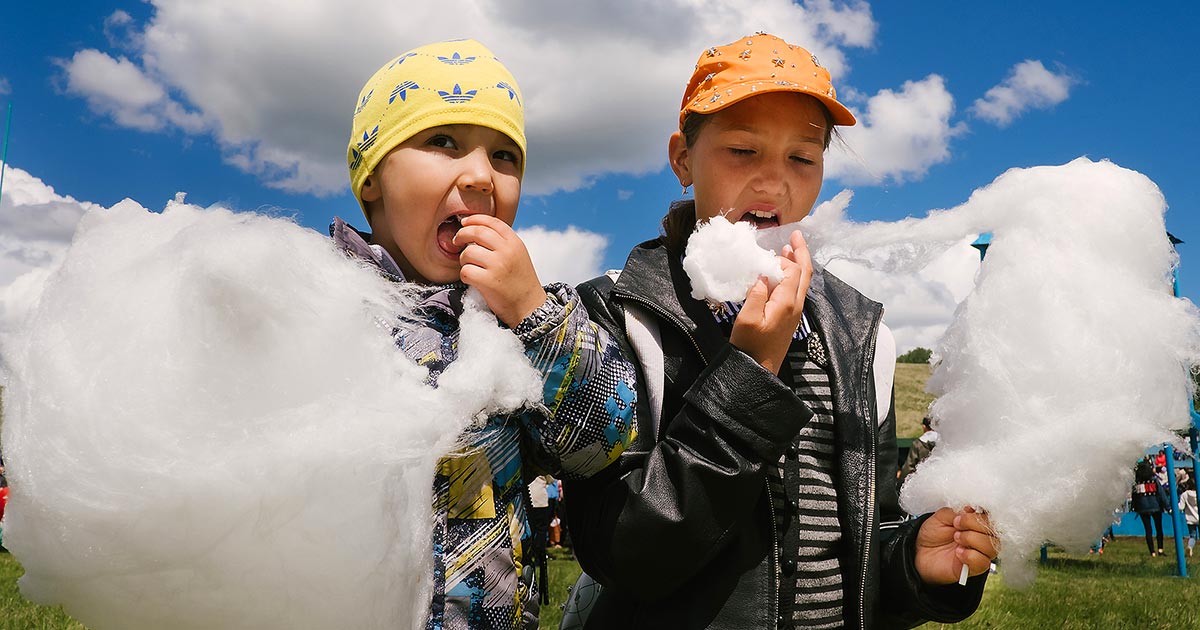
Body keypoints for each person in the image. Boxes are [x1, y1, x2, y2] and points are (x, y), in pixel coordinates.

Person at [562, 33, 997, 629]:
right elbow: (625, 555)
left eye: (802, 158)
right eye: (742, 151)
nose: (773, 182)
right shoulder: (617, 315)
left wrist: (911, 561)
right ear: (683, 159)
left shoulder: (865, 337)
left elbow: (864, 537)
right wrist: (749, 376)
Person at [337, 39, 637, 628]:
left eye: (505, 156)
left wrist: (534, 315)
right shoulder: (317, 301)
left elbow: (604, 443)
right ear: (371, 177)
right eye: (442, 142)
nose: (480, 176)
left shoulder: (521, 318)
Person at [1132, 458, 1168, 556]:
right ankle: (1160, 549)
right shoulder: (1154, 480)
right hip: (1156, 506)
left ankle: (1152, 552)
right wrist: (1167, 506)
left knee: (1148, 530)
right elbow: (1161, 494)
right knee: (1159, 528)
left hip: (1143, 509)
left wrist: (1135, 507)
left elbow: (1134, 496)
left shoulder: (1137, 482)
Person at [898, 416, 939, 487]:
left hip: (922, 482)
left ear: (924, 427)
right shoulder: (942, 442)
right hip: (939, 480)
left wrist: (900, 483)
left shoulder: (918, 444)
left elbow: (909, 467)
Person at [1179, 478, 1198, 558]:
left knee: (1192, 536)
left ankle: (1190, 547)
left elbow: (1181, 507)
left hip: (1190, 519)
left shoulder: (1184, 494)